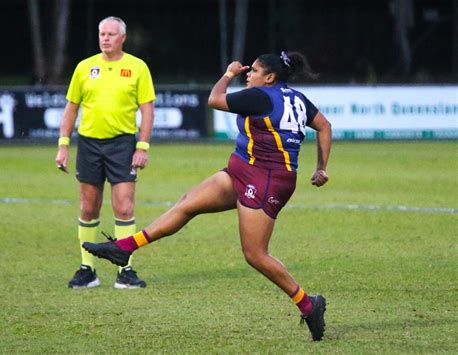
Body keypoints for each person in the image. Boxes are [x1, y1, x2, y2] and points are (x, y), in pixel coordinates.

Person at [83, 51, 331, 341]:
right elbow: (324, 126)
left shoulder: (260, 96)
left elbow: (214, 99)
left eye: (253, 71)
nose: (247, 75)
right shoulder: (296, 98)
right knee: (187, 203)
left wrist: (228, 74)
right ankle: (125, 247)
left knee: (255, 254)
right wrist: (321, 168)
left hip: (266, 179)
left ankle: (308, 304)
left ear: (270, 77)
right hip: (243, 168)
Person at [55, 16, 156, 289]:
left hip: (122, 144)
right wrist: (63, 144)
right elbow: (71, 108)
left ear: (122, 38)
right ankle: (87, 269)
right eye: (102, 33)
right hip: (88, 144)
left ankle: (126, 269)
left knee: (124, 206)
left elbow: (147, 110)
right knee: (88, 207)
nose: (106, 38)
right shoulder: (84, 67)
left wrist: (142, 147)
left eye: (111, 34)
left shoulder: (137, 67)